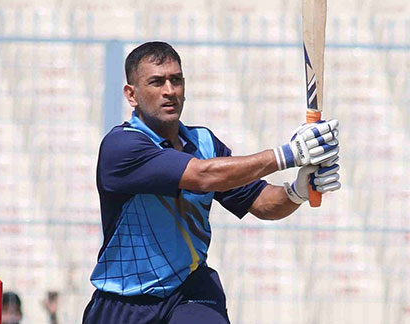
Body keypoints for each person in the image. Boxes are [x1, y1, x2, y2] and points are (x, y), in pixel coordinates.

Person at [82, 41, 341, 324]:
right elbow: (202, 176)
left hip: (190, 289)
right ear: (131, 95)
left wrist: (297, 191)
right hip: (123, 302)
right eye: (156, 82)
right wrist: (288, 155)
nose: (169, 91)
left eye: (176, 80)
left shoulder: (203, 142)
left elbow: (262, 204)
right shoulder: (121, 146)